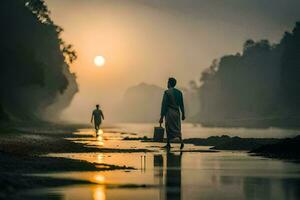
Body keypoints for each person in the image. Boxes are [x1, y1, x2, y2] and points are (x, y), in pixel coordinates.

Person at [159, 77, 185, 149]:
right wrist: (183, 114)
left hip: (169, 113)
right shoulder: (179, 93)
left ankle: (168, 144)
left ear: (169, 83)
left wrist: (161, 117)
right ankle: (181, 142)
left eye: (167, 82)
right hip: (177, 113)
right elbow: (181, 105)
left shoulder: (167, 92)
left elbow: (164, 105)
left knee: (169, 128)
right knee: (177, 128)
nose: (167, 84)